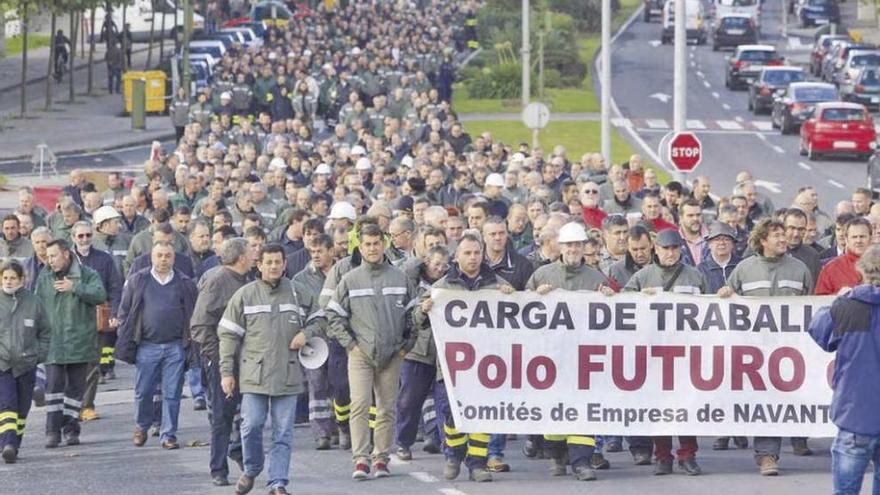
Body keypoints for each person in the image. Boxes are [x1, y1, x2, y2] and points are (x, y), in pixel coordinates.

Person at [414, 231, 514, 483]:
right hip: (450, 367)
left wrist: (512, 298)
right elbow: (417, 322)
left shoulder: (497, 285)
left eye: (477, 253)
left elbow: (516, 322)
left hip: (487, 366)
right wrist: (423, 311)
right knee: (449, 411)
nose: (472, 258)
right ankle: (454, 453)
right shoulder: (442, 287)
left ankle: (477, 464)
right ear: (456, 257)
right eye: (467, 253)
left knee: (481, 412)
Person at [720, 218, 815, 475]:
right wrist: (725, 296)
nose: (784, 239)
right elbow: (726, 306)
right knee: (764, 401)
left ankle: (773, 450)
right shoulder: (743, 269)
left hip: (789, 351)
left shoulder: (800, 270)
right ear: (763, 240)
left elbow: (811, 308)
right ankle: (766, 455)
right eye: (777, 235)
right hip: (754, 352)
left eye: (784, 234)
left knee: (780, 402)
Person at [326, 224, 417, 480]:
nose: (373, 248)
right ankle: (361, 459)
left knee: (387, 407)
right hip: (360, 354)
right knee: (360, 406)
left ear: (384, 244)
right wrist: (350, 344)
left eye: (377, 243)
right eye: (367, 244)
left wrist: (406, 346)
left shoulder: (399, 278)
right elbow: (333, 314)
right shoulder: (350, 279)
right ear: (360, 247)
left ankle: (380, 458)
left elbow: (415, 314)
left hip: (392, 355)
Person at [219, 243, 310, 495]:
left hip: (287, 373)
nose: (273, 267)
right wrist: (226, 372)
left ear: (284, 264)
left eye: (277, 262)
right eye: (268, 262)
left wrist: (307, 333)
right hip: (254, 375)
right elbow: (227, 335)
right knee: (251, 426)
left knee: (283, 432)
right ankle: (251, 468)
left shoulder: (297, 293)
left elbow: (320, 318)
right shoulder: (245, 295)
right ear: (258, 265)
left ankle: (278, 482)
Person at [527, 222, 614, 481]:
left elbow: (609, 319)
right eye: (569, 244)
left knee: (583, 409)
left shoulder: (596, 278)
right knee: (554, 409)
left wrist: (610, 297)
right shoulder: (543, 275)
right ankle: (556, 456)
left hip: (584, 357)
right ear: (560, 246)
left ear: (584, 247)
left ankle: (581, 461)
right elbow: (522, 311)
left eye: (578, 244)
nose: (574, 249)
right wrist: (534, 295)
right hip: (551, 356)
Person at [624, 229, 706, 476]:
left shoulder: (694, 276)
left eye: (674, 248)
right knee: (658, 407)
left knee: (686, 406)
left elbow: (710, 308)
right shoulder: (642, 276)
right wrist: (638, 297)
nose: (670, 253)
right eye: (665, 248)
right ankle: (662, 456)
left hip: (687, 351)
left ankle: (688, 454)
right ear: (655, 249)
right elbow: (621, 307)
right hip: (654, 352)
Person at [809, 244, 880, 495]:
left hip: (855, 414)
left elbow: (819, 330)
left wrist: (843, 298)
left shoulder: (848, 306)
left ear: (862, 271)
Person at [116, 242, 197, 450]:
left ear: (173, 258)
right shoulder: (138, 280)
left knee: (172, 393)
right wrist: (124, 334)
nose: (163, 260)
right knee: (143, 391)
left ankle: (168, 434)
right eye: (159, 255)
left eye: (167, 256)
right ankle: (141, 426)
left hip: (175, 347)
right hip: (147, 346)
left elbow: (193, 313)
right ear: (152, 257)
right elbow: (125, 311)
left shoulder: (184, 283)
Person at [190, 237, 254, 486]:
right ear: (240, 257)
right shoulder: (217, 280)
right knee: (221, 415)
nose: (254, 255)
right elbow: (199, 324)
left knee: (246, 413)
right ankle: (218, 468)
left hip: (246, 358)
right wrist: (216, 358)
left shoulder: (246, 279)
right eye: (251, 251)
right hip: (221, 360)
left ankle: (239, 451)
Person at [35, 239, 107, 448]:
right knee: (54, 388)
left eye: (54, 256)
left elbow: (100, 295)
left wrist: (74, 287)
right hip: (53, 344)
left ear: (66, 254)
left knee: (75, 391)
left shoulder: (87, 274)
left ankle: (71, 429)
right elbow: (37, 305)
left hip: (79, 342)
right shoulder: (44, 276)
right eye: (48, 257)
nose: (50, 261)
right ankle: (52, 431)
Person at [394, 245, 450, 460]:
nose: (440, 269)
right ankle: (403, 443)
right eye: (436, 264)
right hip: (416, 351)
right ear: (426, 261)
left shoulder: (450, 284)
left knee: (443, 403)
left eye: (444, 265)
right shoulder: (411, 279)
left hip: (442, 353)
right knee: (408, 400)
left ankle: (445, 446)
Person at [71, 220, 123, 421]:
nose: (84, 239)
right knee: (73, 365)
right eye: (80, 236)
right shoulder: (66, 259)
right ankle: (71, 405)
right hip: (72, 320)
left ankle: (87, 406)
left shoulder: (104, 259)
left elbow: (115, 288)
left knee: (93, 365)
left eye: (88, 235)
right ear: (73, 238)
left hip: (98, 318)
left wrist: (115, 314)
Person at [0, 260, 50, 463]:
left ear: (23, 279)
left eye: (13, 278)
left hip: (27, 364)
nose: (9, 281)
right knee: (7, 404)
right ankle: (8, 443)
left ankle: (14, 443)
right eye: (5, 278)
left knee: (22, 410)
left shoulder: (34, 302)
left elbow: (45, 332)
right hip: (3, 364)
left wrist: (38, 354)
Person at [291, 234, 338, 451]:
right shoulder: (300, 280)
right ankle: (322, 433)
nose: (316, 255)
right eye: (313, 251)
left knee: (338, 384)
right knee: (317, 384)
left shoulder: (344, 272)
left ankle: (339, 426)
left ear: (331, 251)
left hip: (339, 337)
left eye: (320, 251)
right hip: (314, 340)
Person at [815, 218, 872, 296]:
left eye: (862, 237)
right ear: (846, 239)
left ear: (871, 238)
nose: (858, 241)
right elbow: (819, 301)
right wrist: (839, 296)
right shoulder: (830, 269)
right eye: (854, 237)